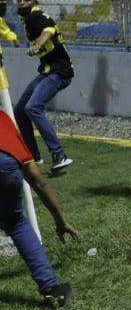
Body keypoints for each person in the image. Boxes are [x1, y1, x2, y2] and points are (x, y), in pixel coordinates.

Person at [0, 110, 80, 308]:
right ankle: (52, 290)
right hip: (6, 167)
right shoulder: (4, 122)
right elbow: (39, 183)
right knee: (16, 223)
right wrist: (61, 221)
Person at [14, 0, 75, 170]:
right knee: (20, 111)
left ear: (35, 2)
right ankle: (34, 157)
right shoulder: (27, 19)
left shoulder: (36, 16)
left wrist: (37, 45)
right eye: (19, 0)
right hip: (48, 71)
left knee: (32, 107)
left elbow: (48, 30)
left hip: (59, 72)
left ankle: (59, 155)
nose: (22, 2)